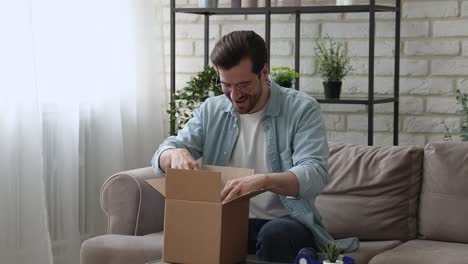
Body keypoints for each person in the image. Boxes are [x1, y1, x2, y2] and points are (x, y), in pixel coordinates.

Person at [152, 30, 358, 262]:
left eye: (243, 84)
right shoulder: (212, 110)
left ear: (264, 72)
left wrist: (263, 181)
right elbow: (164, 152)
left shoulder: (301, 109)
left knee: (274, 234)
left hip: (283, 223)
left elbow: (314, 173)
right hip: (224, 219)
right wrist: (174, 153)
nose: (234, 95)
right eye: (226, 84)